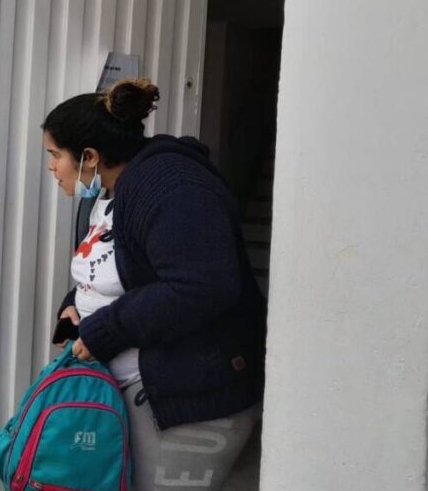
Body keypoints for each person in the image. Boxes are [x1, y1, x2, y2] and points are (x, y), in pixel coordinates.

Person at [43, 78, 266, 491]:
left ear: (89, 156)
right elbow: (119, 267)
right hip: (133, 389)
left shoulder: (170, 186)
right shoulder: (109, 192)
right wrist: (76, 305)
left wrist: (105, 330)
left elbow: (202, 286)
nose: (52, 168)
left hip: (188, 400)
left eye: (56, 155)